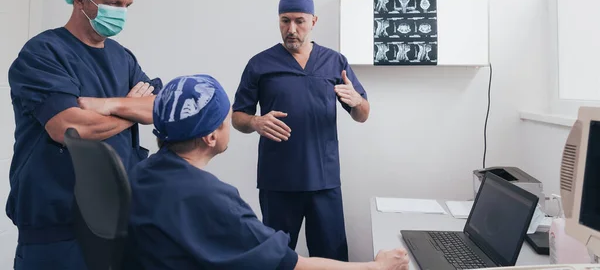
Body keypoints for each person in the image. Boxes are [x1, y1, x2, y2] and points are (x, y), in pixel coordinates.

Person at [128, 74, 408, 270]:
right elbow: (293, 265)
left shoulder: (143, 172)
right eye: (225, 119)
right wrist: (377, 266)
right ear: (211, 137)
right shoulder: (213, 199)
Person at [7, 0, 161, 270]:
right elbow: (69, 127)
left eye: (126, 4)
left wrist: (108, 105)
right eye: (112, 2)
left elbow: (158, 106)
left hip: (119, 220)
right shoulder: (43, 53)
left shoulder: (123, 58)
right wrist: (132, 108)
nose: (121, 11)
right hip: (58, 226)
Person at [232, 0, 370, 260]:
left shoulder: (334, 62)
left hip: (324, 179)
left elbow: (363, 114)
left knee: (331, 256)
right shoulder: (260, 64)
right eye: (285, 21)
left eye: (299, 21)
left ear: (313, 22)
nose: (291, 29)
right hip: (278, 181)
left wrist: (356, 101)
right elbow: (238, 117)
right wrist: (256, 122)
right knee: (276, 258)